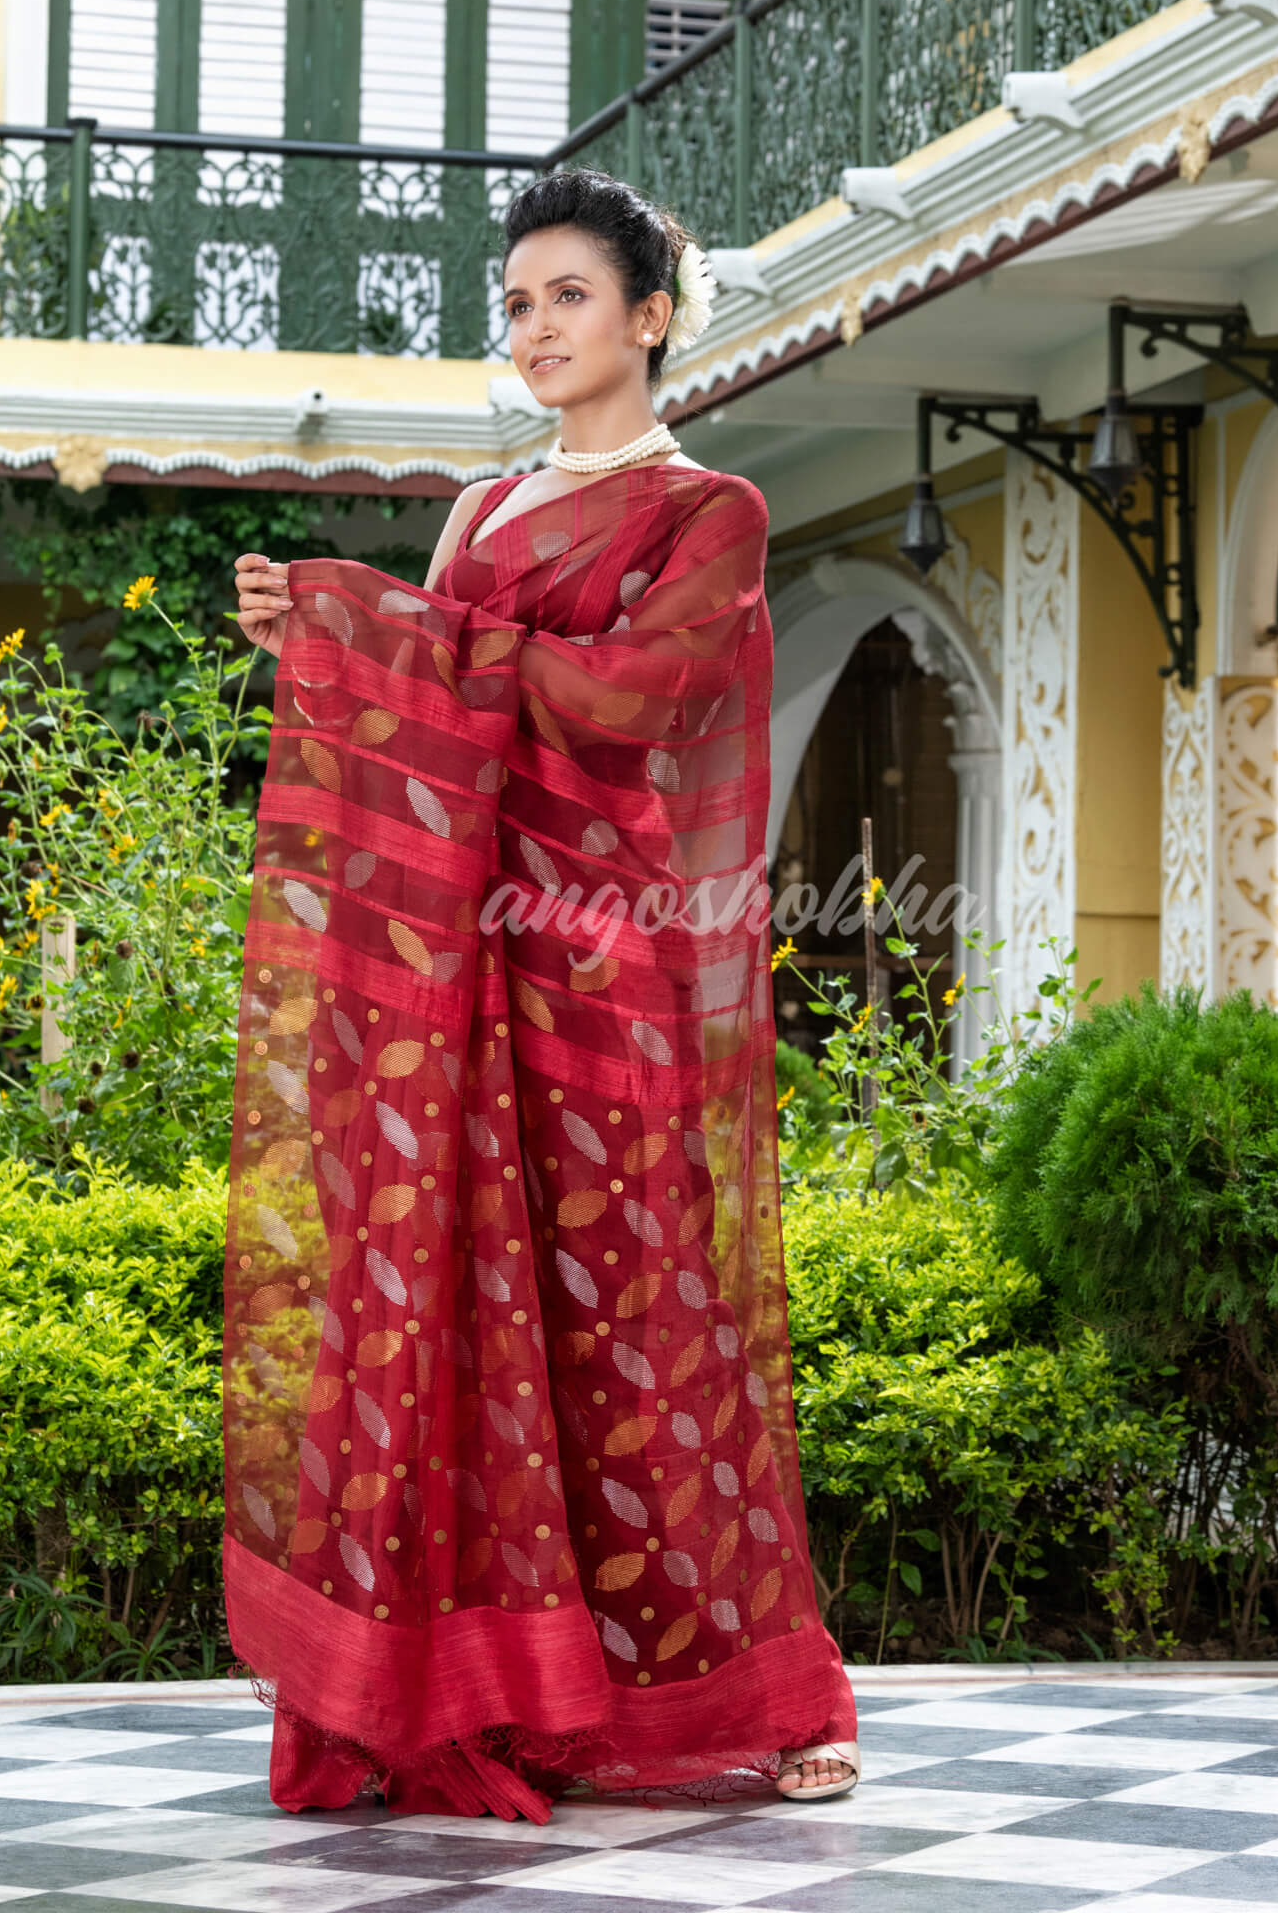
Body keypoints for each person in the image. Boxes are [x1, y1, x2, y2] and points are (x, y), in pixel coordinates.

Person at [226, 168, 858, 1820]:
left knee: (648, 1330)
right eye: (515, 305)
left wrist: (370, 623)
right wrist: (318, 635)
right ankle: (485, 1686)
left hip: (606, 972)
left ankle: (768, 1692)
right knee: (463, 1327)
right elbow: (427, 723)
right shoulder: (486, 518)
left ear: (649, 314)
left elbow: (636, 702)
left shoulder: (707, 511)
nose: (535, 329)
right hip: (467, 983)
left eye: (567, 296)